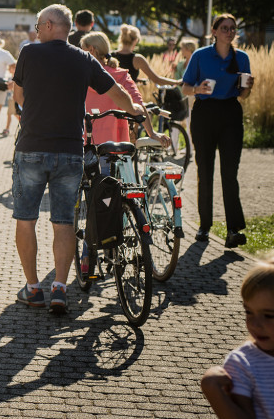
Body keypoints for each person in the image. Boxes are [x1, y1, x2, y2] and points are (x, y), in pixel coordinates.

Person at [12, 4, 142, 314]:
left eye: (37, 24)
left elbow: (18, 97)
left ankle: (33, 289)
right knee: (63, 222)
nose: (35, 28)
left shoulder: (29, 53)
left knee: (26, 219)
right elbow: (117, 93)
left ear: (47, 25)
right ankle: (59, 288)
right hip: (70, 151)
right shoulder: (83, 58)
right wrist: (137, 113)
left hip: (31, 146)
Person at [181, 13, 254, 247]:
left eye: (232, 28)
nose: (229, 32)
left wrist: (248, 88)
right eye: (224, 28)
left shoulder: (241, 58)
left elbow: (243, 95)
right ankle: (204, 226)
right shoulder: (200, 56)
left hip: (231, 114)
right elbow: (185, 88)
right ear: (214, 31)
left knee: (229, 174)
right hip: (204, 114)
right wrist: (198, 88)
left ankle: (233, 228)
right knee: (205, 171)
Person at [200, 259, 274, 419]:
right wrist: (212, 389)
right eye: (249, 312)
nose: (255, 324)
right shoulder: (243, 362)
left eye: (268, 315)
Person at [81, 33, 169, 148]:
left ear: (91, 50)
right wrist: (151, 133)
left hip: (85, 141)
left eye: (83, 51)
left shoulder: (81, 76)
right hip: (115, 143)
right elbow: (138, 104)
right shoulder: (121, 75)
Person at [114, 24, 181, 89]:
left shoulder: (111, 56)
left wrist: (137, 79)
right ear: (136, 40)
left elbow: (118, 76)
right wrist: (177, 82)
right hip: (129, 97)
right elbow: (156, 79)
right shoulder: (137, 59)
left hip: (110, 98)